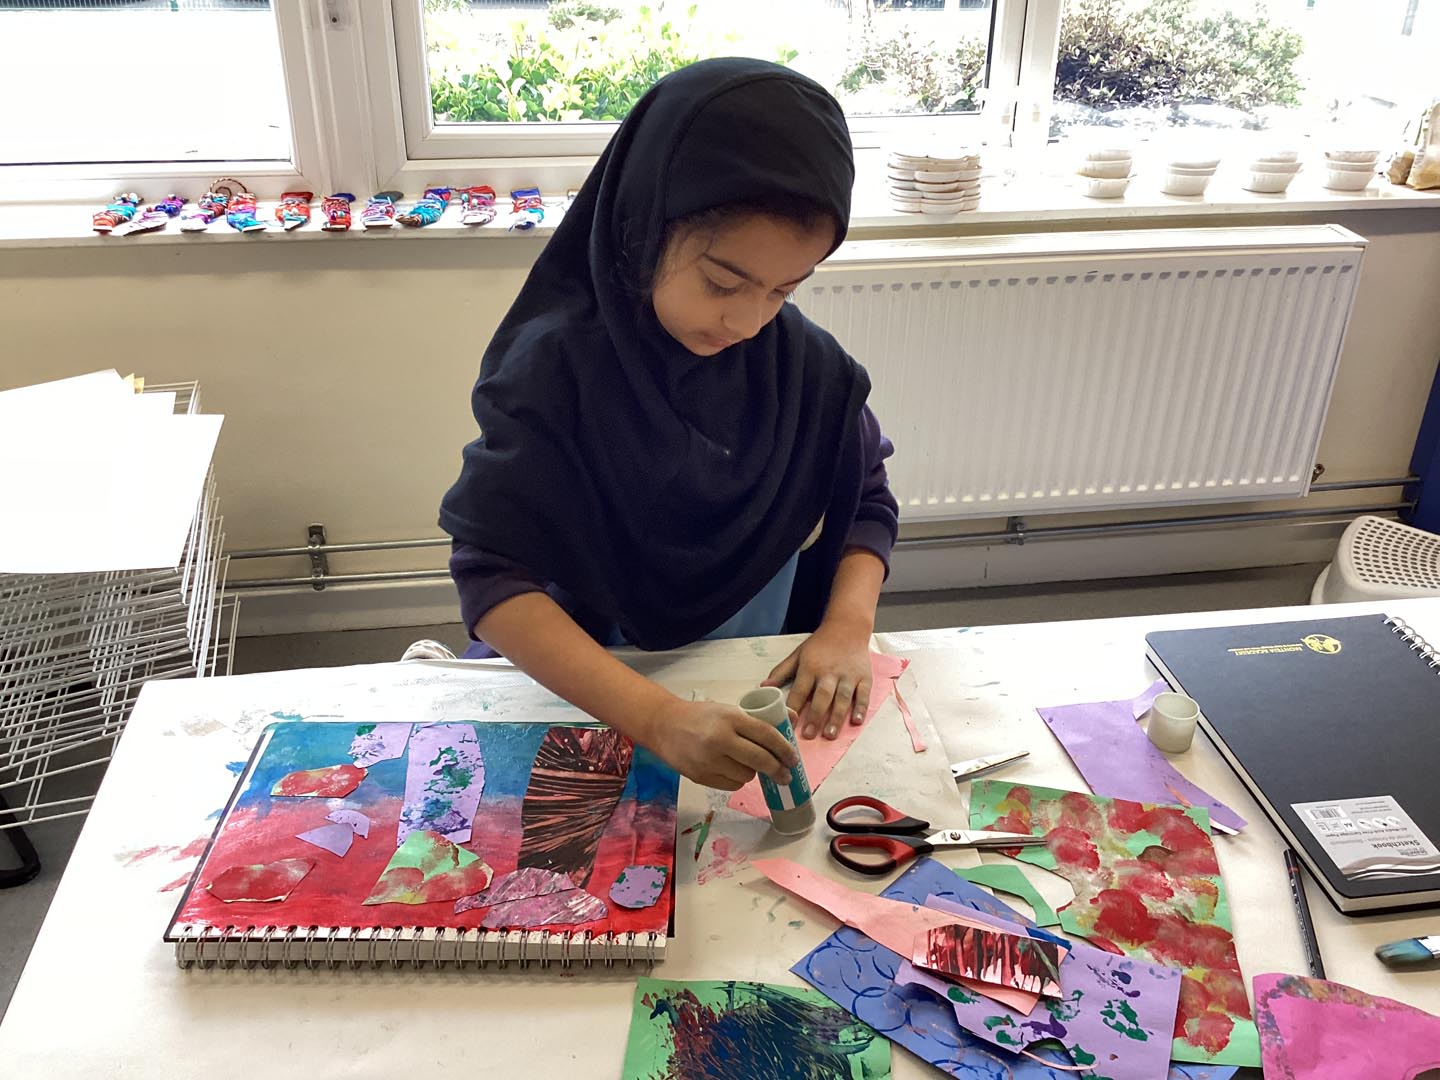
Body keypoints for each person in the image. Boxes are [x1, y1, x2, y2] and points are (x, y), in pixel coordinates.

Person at [437, 57, 898, 792]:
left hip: (742, 689)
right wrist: (654, 716)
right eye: (723, 282)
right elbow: (492, 580)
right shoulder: (555, 370)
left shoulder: (803, 363)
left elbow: (866, 499)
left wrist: (846, 629)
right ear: (642, 227)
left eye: (783, 289)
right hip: (594, 695)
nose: (748, 321)